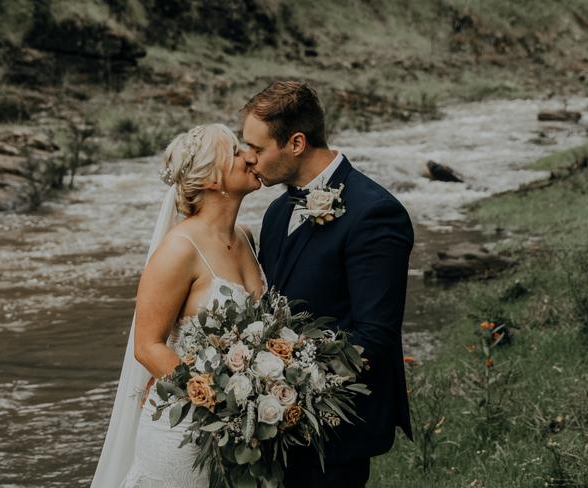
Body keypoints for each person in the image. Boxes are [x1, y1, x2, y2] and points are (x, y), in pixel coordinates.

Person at [241, 81, 414, 488]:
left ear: (296, 142)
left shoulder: (375, 213)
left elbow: (375, 335)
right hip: (275, 421)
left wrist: (288, 383)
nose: (248, 159)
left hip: (335, 428)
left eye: (257, 148)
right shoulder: (277, 211)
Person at [90, 124, 265, 487]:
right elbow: (147, 346)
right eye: (236, 151)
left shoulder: (245, 237)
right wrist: (216, 400)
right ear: (213, 178)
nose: (250, 156)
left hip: (241, 430)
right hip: (183, 427)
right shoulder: (179, 248)